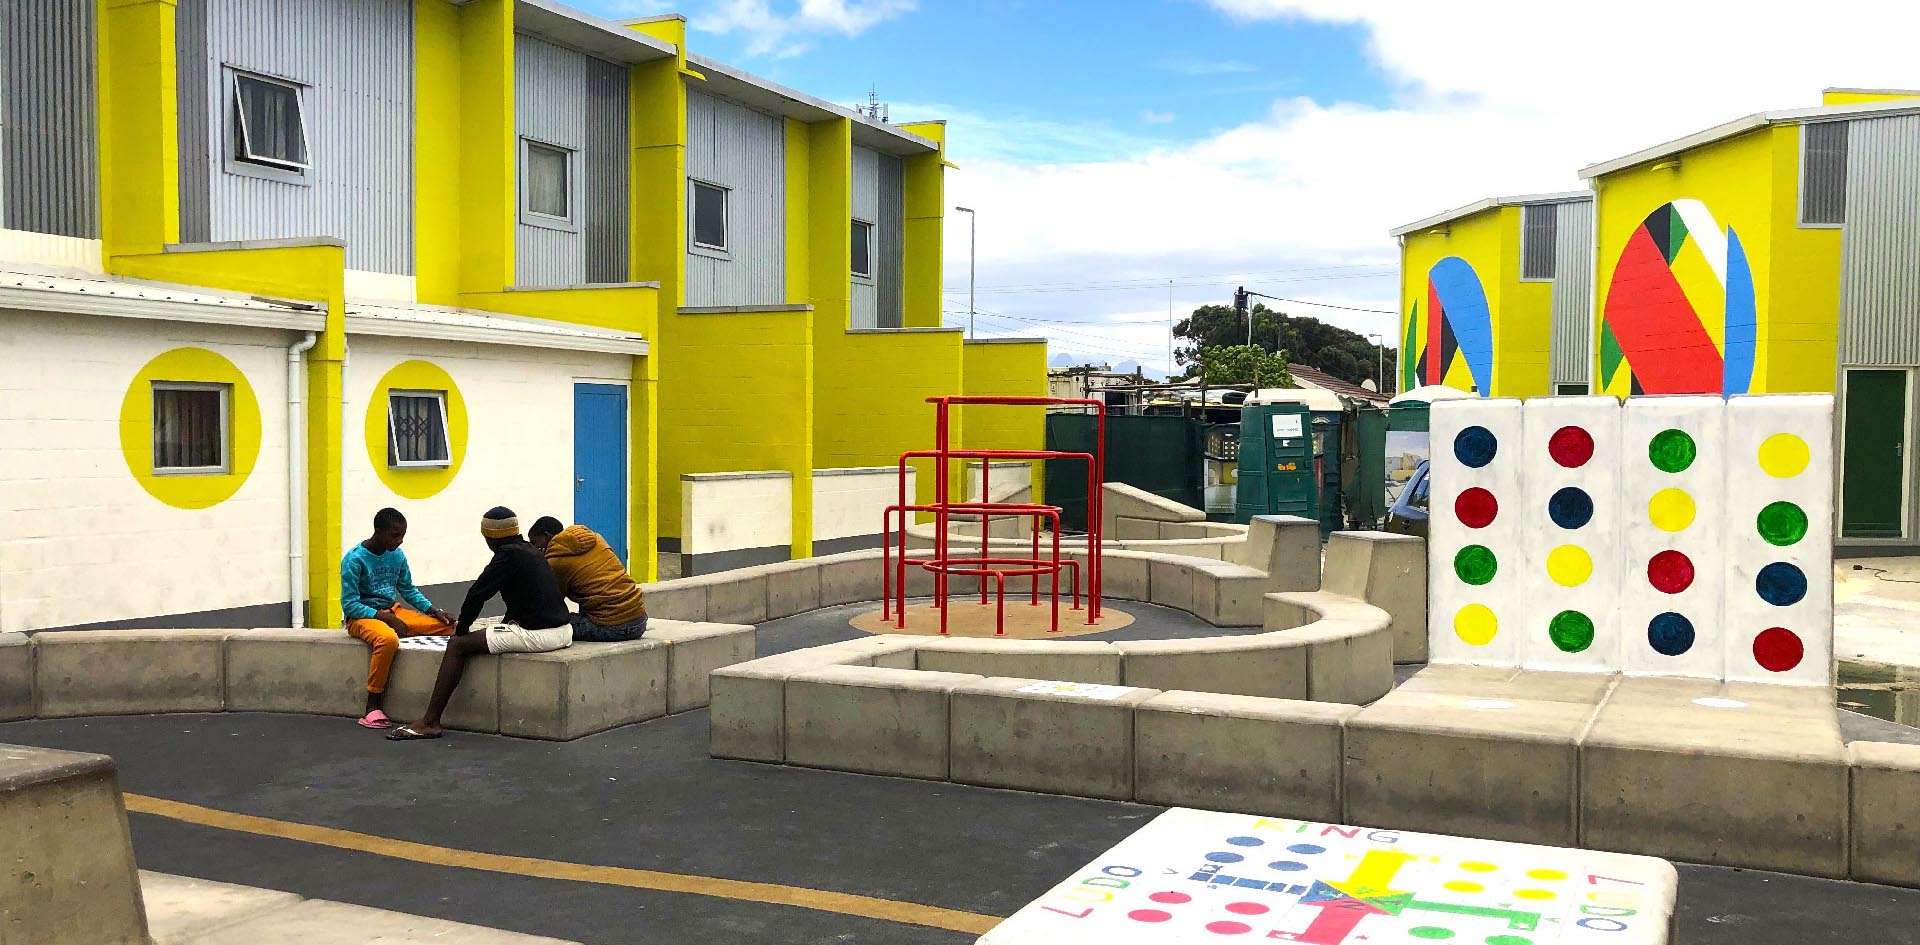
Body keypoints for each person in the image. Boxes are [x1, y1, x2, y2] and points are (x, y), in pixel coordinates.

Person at [388, 507, 573, 741]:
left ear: (490, 537)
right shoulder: (529, 550)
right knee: (483, 635)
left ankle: (430, 721)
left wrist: (461, 632)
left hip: (540, 635)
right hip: (564, 631)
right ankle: (430, 721)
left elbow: (477, 595)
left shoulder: (506, 555)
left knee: (457, 646)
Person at [342, 507, 455, 729]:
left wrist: (434, 611)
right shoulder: (354, 559)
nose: (399, 541)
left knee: (450, 627)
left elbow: (408, 589)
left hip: (392, 611)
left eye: (402, 535)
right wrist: (386, 619)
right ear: (378, 531)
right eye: (394, 535)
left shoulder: (397, 555)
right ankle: (372, 706)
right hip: (362, 617)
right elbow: (350, 605)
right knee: (387, 640)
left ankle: (403, 627)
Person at [528, 516, 649, 642]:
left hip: (614, 627)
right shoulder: (597, 539)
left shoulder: (557, 561)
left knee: (546, 624)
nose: (533, 549)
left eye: (534, 543)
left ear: (546, 536)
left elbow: (550, 605)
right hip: (639, 620)